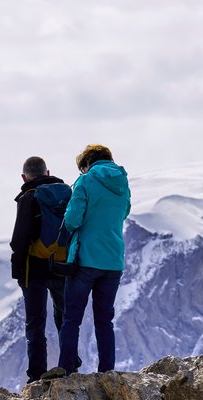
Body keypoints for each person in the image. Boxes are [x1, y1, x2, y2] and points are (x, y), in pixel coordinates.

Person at [57, 144, 131, 374]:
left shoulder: (85, 181)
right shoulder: (123, 184)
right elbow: (125, 212)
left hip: (86, 260)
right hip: (113, 261)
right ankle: (107, 372)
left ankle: (66, 370)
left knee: (72, 318)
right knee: (104, 321)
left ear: (87, 164)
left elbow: (72, 220)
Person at [10, 156, 72, 383]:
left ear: (24, 177)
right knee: (65, 318)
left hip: (34, 268)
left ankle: (36, 373)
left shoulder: (28, 197)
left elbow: (20, 238)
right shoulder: (67, 194)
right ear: (48, 172)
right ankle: (70, 365)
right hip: (63, 265)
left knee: (35, 323)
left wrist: (17, 270)